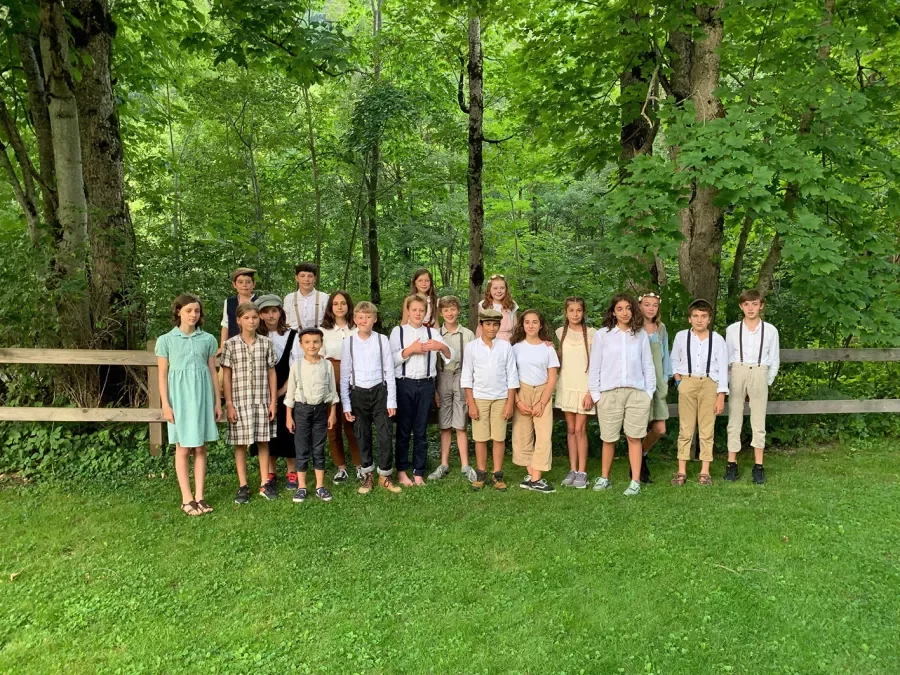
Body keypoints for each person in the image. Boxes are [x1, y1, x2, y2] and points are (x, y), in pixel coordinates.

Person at [156, 294, 222, 516]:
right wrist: (166, 404)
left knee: (201, 447)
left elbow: (212, 371)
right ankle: (187, 498)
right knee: (183, 447)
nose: (193, 315)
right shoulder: (166, 340)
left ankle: (200, 496)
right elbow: (162, 375)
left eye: (197, 311)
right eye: (188, 310)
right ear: (178, 312)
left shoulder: (208, 339)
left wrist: (217, 402)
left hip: (202, 396)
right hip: (180, 398)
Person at [588, 293, 656, 496]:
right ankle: (605, 478)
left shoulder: (640, 335)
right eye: (619, 309)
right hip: (610, 393)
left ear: (633, 310)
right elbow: (595, 366)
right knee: (609, 438)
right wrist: (596, 395)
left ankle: (635, 481)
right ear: (613, 312)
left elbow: (648, 365)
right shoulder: (603, 335)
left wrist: (648, 393)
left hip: (636, 394)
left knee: (634, 438)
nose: (624, 312)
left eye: (628, 308)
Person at [391, 294, 453, 486]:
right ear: (408, 311)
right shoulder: (398, 332)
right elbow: (391, 360)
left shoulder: (432, 333)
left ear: (426, 313)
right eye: (414, 310)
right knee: (403, 430)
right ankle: (402, 471)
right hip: (404, 384)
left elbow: (450, 355)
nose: (418, 313)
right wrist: (410, 350)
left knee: (421, 430)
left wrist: (440, 346)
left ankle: (419, 472)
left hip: (426, 385)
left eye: (421, 310)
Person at [339, 301, 401, 494]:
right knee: (362, 434)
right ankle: (367, 475)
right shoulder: (348, 342)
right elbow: (344, 375)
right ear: (355, 319)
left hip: (379, 391)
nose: (364, 320)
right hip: (358, 393)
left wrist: (391, 400)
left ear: (374, 319)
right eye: (360, 317)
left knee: (385, 434)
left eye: (368, 317)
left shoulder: (382, 340)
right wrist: (346, 404)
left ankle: (385, 475)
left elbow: (389, 371)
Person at [221, 302, 278, 503]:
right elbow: (226, 376)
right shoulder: (230, 345)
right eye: (246, 318)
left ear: (259, 319)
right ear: (238, 321)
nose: (251, 321)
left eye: (254, 317)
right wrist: (229, 403)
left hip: (261, 400)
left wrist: (273, 401)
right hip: (239, 401)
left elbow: (271, 372)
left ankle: (265, 482)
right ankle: (243, 485)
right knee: (241, 444)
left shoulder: (266, 343)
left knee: (263, 441)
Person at [670, 299, 728, 486]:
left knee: (706, 429)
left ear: (709, 319)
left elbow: (723, 368)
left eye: (703, 316)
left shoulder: (717, 340)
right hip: (687, 381)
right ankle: (681, 470)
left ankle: (705, 471)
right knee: (685, 428)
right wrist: (679, 381)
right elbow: (674, 360)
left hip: (709, 384)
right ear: (690, 319)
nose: (699, 320)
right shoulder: (681, 337)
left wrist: (721, 395)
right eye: (695, 316)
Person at [724, 289, 780, 484]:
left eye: (754, 304)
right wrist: (728, 381)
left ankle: (758, 465)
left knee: (758, 420)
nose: (750, 308)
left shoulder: (770, 330)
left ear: (761, 306)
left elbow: (774, 358)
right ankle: (732, 463)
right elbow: (727, 357)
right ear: (741, 306)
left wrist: (767, 380)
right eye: (746, 304)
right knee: (734, 419)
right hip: (737, 370)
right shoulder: (732, 330)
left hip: (759, 371)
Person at [461, 308, 520, 491]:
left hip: (501, 398)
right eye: (488, 324)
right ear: (481, 325)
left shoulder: (505, 346)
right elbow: (466, 376)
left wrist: (510, 403)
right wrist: (471, 403)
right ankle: (481, 473)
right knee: (480, 438)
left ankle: (497, 474)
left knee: (499, 438)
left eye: (495, 324)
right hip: (479, 398)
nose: (492, 328)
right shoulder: (472, 347)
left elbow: (512, 375)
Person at [285, 328, 338, 503]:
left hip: (321, 410)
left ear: (321, 344)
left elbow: (332, 392)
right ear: (301, 345)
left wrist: (332, 413)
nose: (312, 345)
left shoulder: (327, 365)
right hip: (301, 410)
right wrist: (289, 416)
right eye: (307, 342)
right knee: (302, 449)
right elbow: (290, 394)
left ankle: (320, 486)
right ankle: (301, 487)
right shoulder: (297, 366)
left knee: (318, 448)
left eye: (316, 342)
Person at [510, 310, 560, 493]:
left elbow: (552, 378)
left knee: (544, 437)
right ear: (522, 325)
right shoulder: (515, 348)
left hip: (542, 392)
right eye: (527, 322)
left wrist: (542, 402)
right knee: (522, 436)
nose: (531, 325)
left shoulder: (548, 348)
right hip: (521, 391)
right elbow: (510, 376)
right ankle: (532, 476)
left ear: (540, 325)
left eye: (535, 322)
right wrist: (517, 402)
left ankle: (536, 478)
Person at [429, 295, 477, 483]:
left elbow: (473, 362)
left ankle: (465, 465)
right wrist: (434, 389)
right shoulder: (436, 334)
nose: (450, 313)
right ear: (441, 313)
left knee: (461, 423)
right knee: (445, 423)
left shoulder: (468, 334)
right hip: (442, 377)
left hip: (462, 377)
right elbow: (431, 363)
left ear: (458, 311)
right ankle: (444, 464)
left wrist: (470, 387)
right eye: (446, 310)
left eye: (453, 309)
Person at [255, 294, 301, 490]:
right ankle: (270, 472)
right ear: (260, 315)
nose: (271, 315)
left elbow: (296, 366)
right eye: (266, 312)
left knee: (289, 430)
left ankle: (292, 471)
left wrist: (282, 390)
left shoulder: (292, 335)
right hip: (261, 391)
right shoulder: (256, 336)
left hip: (287, 389)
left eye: (274, 311)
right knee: (267, 432)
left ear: (280, 312)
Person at [319, 290, 362, 483]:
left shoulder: (356, 328)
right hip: (332, 375)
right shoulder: (323, 330)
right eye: (335, 303)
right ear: (330, 307)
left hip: (354, 376)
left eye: (343, 303)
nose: (339, 307)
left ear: (349, 305)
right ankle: (341, 467)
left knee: (352, 422)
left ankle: (360, 465)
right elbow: (319, 357)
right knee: (333, 424)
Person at [555, 297, 596, 489]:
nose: (575, 314)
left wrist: (591, 391)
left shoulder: (592, 334)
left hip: (583, 387)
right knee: (570, 429)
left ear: (583, 312)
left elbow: (596, 363)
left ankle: (582, 471)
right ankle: (572, 469)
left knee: (580, 429)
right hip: (566, 385)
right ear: (566, 312)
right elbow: (559, 357)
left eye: (579, 310)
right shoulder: (560, 332)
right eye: (571, 310)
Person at [637, 292, 672, 483]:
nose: (651, 308)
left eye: (655, 305)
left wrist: (665, 379)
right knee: (639, 427)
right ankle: (637, 468)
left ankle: (642, 454)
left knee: (659, 429)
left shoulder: (661, 328)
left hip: (658, 384)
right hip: (640, 385)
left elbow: (665, 356)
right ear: (640, 306)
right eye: (647, 304)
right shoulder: (634, 328)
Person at [283, 262, 329, 330]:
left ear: (315, 278)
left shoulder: (324, 298)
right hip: (294, 335)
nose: (306, 279)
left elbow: (328, 322)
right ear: (297, 278)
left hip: (319, 335)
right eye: (302, 276)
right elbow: (286, 323)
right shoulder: (289, 298)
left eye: (310, 276)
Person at [220, 267, 258, 348]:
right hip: (234, 344)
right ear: (234, 284)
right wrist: (223, 346)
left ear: (254, 284)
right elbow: (225, 324)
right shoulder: (229, 302)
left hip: (255, 344)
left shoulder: (259, 301)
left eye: (248, 282)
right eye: (240, 282)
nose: (244, 285)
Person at [475, 274, 518, 341]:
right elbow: (480, 328)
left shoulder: (511, 304)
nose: (499, 291)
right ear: (489, 290)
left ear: (506, 289)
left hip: (508, 340)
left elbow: (515, 328)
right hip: (489, 340)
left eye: (502, 288)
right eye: (495, 288)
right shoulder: (484, 305)